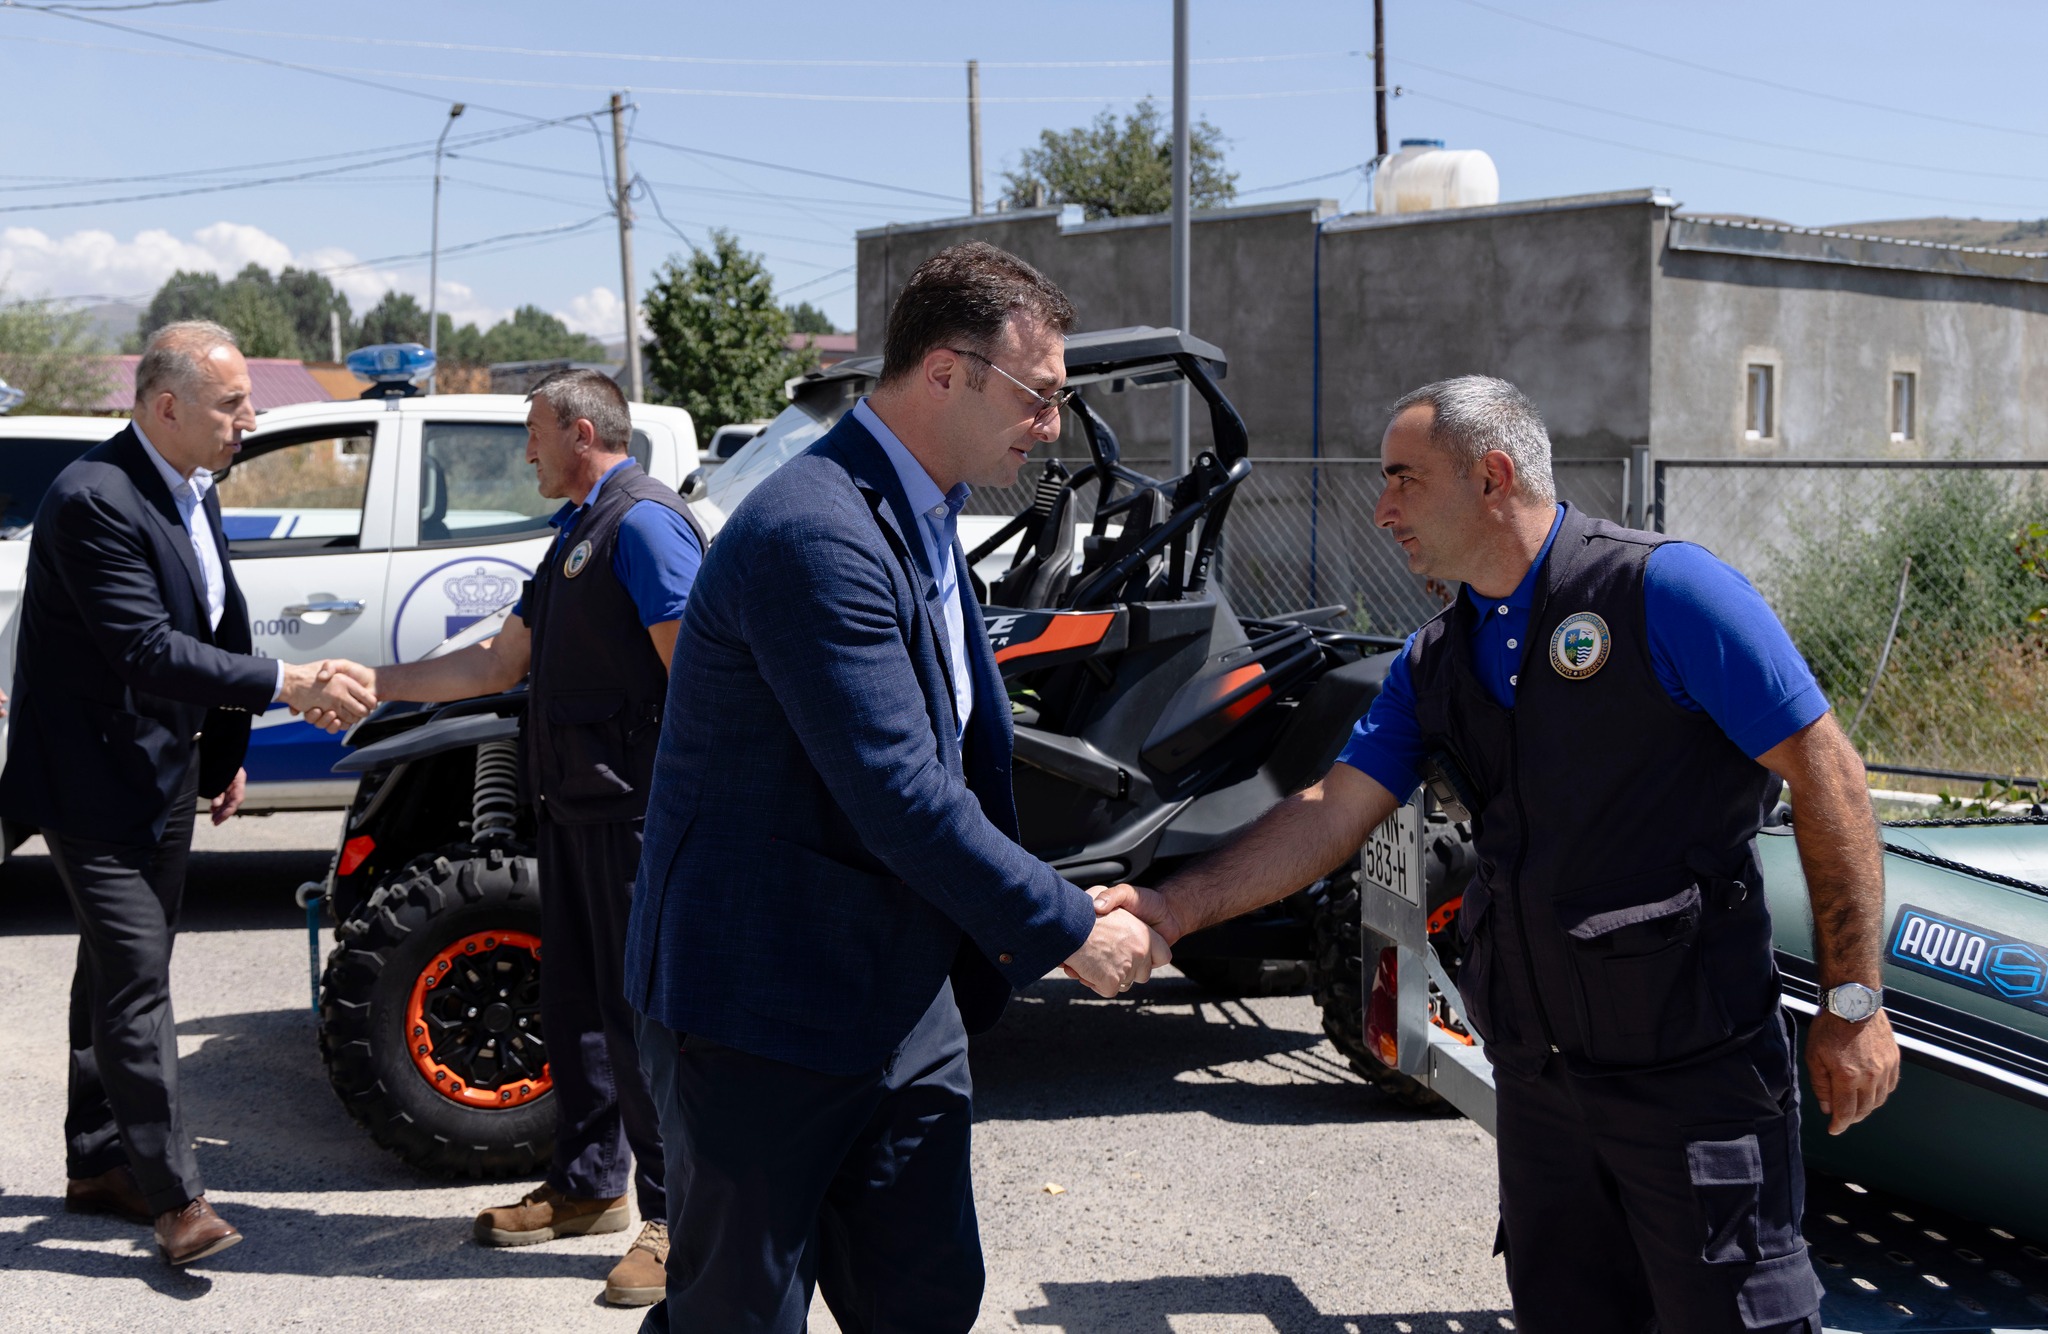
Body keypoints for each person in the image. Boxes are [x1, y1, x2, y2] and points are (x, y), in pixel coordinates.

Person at [1093, 376, 1901, 1333]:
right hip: (1542, 1087)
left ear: (1493, 477)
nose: (1383, 509)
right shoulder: (1435, 659)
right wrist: (1172, 908)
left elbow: (1830, 778)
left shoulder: (1665, 592)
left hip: (1693, 1080)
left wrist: (1854, 1005)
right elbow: (1329, 812)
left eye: (1404, 478)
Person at [622, 242, 1169, 1333]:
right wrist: (1070, 926)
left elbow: (955, 756)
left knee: (924, 1298)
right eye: (1039, 395)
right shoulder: (813, 530)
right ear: (945, 372)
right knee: (737, 1317)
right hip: (759, 1010)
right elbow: (900, 791)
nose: (1050, 425)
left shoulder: (922, 513)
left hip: (900, 999)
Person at [319, 369, 703, 1307]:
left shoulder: (644, 525)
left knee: (643, 1024)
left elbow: (700, 675)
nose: (526, 451)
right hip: (574, 808)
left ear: (581, 432)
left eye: (535, 433)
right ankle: (588, 1185)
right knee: (576, 1006)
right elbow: (499, 661)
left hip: (634, 816)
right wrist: (376, 682)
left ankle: (681, 1222)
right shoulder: (578, 530)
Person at [0, 320, 377, 1267]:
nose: (250, 419)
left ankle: (100, 1164)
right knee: (138, 985)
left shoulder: (193, 485)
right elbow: (146, 648)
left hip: (161, 773)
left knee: (114, 973)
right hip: (88, 782)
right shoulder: (92, 498)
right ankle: (176, 1200)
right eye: (232, 404)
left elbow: (213, 623)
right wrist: (291, 684)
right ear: (167, 406)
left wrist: (221, 751)